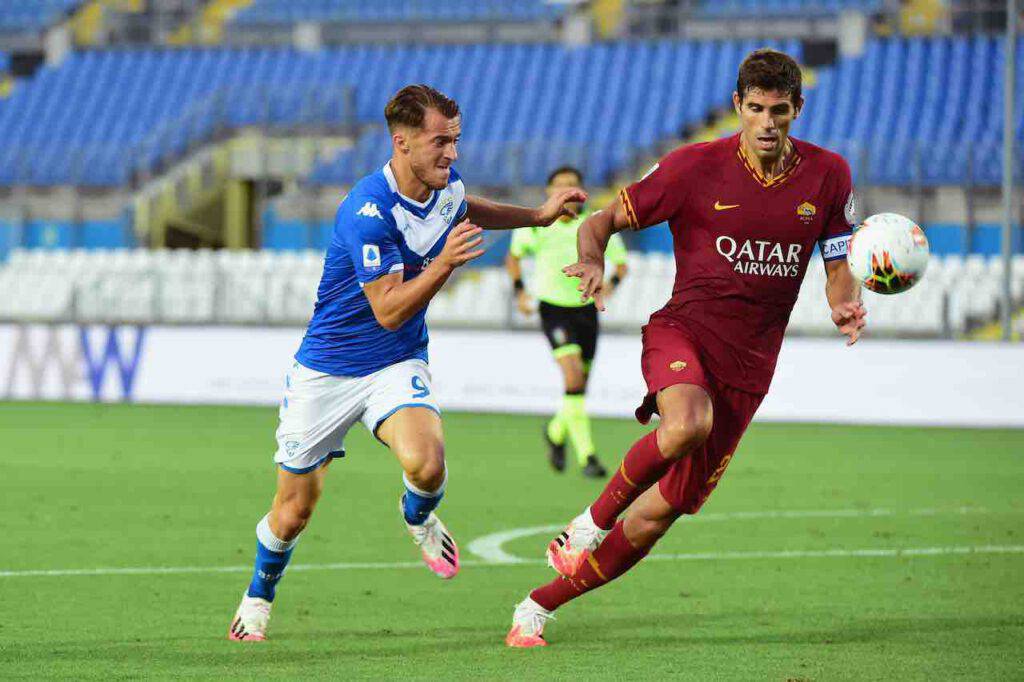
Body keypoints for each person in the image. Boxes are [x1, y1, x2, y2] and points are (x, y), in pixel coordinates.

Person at [505, 49, 866, 647]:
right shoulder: (694, 166)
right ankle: (586, 524)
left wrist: (842, 301)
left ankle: (536, 607)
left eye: (780, 110)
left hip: (750, 368)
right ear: (737, 107)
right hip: (683, 333)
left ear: (798, 109)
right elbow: (597, 223)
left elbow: (835, 258)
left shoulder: (830, 175)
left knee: (654, 518)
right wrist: (591, 260)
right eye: (756, 109)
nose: (768, 122)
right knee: (688, 422)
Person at [227, 84, 586, 641]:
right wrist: (443, 264)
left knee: (427, 462)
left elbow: (465, 207)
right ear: (403, 143)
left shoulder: (443, 187)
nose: (452, 153)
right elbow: (389, 309)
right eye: (441, 141)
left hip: (395, 363)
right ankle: (258, 595)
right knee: (293, 511)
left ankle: (417, 515)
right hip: (328, 370)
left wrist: (538, 217)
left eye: (456, 140)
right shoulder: (368, 212)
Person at [505, 166, 629, 478]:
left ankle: (556, 432)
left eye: (572, 186)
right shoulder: (535, 224)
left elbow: (622, 264)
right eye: (559, 187)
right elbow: (515, 256)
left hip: (585, 311)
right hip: (553, 309)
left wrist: (609, 285)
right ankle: (588, 457)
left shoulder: (596, 223)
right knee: (573, 379)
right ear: (548, 192)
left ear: (581, 192)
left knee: (579, 386)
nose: (566, 192)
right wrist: (520, 291)